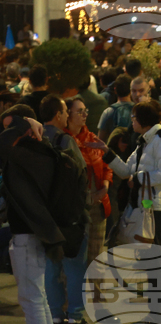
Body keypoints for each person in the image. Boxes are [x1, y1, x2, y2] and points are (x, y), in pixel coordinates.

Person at [0, 106, 66, 324]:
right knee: (38, 298)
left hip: (28, 234)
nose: (8, 134)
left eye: (10, 128)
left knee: (31, 299)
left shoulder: (28, 153)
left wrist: (22, 125)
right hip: (37, 232)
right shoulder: (42, 150)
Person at [90, 100, 161, 246]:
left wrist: (138, 179)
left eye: (134, 118)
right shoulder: (145, 141)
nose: (131, 121)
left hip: (157, 205)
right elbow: (127, 171)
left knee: (155, 252)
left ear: (143, 120)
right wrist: (107, 152)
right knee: (147, 250)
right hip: (145, 204)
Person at [38, 95, 88, 324]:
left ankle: (55, 315)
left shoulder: (34, 139)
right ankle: (76, 315)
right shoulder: (65, 141)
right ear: (58, 115)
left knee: (51, 267)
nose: (68, 115)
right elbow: (81, 173)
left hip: (44, 216)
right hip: (70, 216)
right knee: (75, 266)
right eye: (65, 112)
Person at [66, 97, 112, 265]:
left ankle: (96, 292)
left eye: (86, 110)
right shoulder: (64, 140)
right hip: (77, 207)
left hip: (98, 204)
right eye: (80, 111)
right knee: (76, 260)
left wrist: (105, 188)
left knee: (97, 259)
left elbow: (107, 166)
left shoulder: (92, 138)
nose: (85, 114)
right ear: (67, 114)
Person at [97, 75, 134, 143]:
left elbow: (100, 139)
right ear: (131, 91)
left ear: (115, 90)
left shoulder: (108, 112)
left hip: (112, 151)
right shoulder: (137, 110)